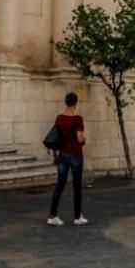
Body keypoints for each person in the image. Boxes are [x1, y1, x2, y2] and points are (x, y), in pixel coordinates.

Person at [47, 92, 88, 226]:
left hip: (63, 154)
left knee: (60, 185)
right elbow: (79, 138)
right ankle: (77, 216)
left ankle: (52, 215)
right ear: (75, 103)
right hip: (75, 154)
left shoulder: (59, 118)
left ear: (66, 102)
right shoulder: (78, 119)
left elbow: (56, 136)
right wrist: (84, 140)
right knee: (77, 186)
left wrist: (55, 155)